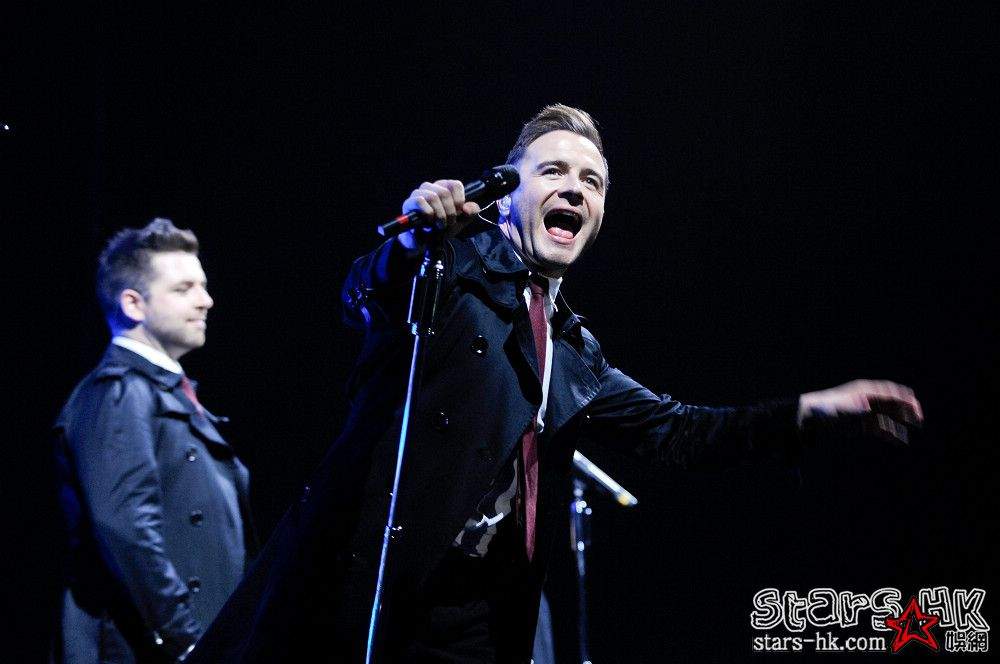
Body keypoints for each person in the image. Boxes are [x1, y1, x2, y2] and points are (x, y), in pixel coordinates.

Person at [189, 105, 922, 663]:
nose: (574, 188)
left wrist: (811, 410)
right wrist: (415, 237)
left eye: (591, 182)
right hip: (376, 595)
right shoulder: (452, 270)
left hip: (481, 619)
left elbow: (678, 431)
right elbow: (366, 292)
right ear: (507, 194)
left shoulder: (571, 353)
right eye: (553, 172)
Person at [53, 218, 254, 663]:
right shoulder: (119, 392)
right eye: (184, 289)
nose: (205, 300)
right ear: (133, 304)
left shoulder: (166, 394)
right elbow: (125, 528)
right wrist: (187, 638)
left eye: (203, 286)